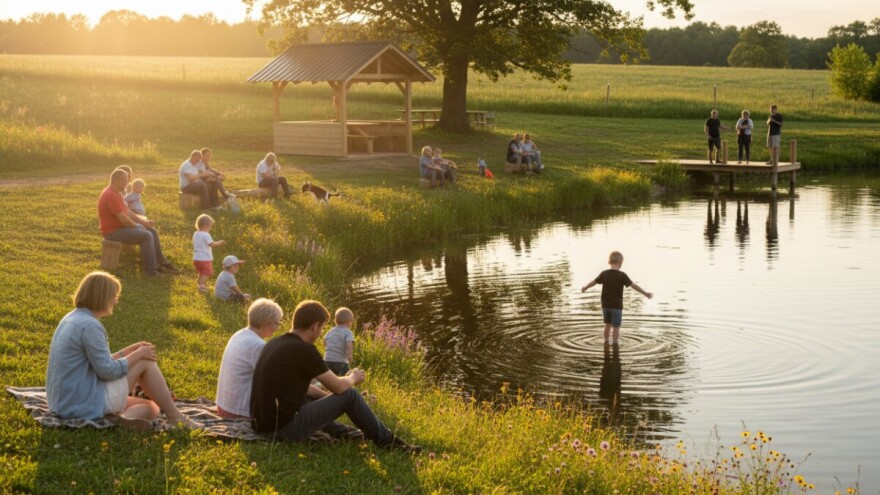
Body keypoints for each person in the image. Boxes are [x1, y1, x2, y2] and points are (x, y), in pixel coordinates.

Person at [249, 300, 420, 452]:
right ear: (314, 326)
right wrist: (353, 377)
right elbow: (338, 387)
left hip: (261, 425)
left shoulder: (274, 343)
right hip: (281, 429)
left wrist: (330, 401)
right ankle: (388, 442)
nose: (320, 333)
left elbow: (300, 389)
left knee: (310, 398)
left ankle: (345, 433)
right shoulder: (304, 350)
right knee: (350, 395)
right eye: (322, 328)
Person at [46, 271, 199, 429]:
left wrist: (131, 350)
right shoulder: (91, 326)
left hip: (64, 403)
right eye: (114, 296)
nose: (116, 301)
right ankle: (176, 417)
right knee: (146, 362)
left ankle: (122, 418)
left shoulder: (72, 318)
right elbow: (107, 371)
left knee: (152, 407)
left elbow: (100, 362)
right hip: (82, 405)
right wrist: (139, 354)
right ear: (103, 296)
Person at [99, 169, 179, 276]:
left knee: (152, 230)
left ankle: (161, 262)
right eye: (125, 181)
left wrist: (144, 223)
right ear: (118, 181)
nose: (127, 183)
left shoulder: (116, 193)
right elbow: (123, 219)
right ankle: (150, 271)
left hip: (120, 228)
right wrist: (137, 226)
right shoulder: (111, 195)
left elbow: (128, 212)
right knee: (146, 235)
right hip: (112, 232)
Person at [215, 298, 282, 419]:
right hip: (238, 411)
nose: (278, 327)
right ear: (267, 323)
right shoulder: (258, 345)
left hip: (224, 406)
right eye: (277, 323)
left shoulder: (239, 334)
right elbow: (276, 381)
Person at [581, 251, 653, 345]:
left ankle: (606, 342)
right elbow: (633, 286)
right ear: (621, 262)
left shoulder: (604, 273)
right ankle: (615, 345)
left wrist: (586, 287)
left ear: (609, 261)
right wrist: (645, 293)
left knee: (607, 325)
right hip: (616, 306)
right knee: (616, 327)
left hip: (605, 305)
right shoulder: (622, 275)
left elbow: (594, 282)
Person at [192, 214, 225, 294]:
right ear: (205, 225)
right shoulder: (206, 234)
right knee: (207, 272)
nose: (211, 228)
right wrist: (219, 242)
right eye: (210, 226)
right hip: (204, 258)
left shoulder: (196, 233)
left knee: (201, 273)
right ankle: (201, 287)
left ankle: (200, 285)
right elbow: (211, 244)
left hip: (196, 258)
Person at [324, 307, 355, 376]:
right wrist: (350, 355)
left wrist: (329, 349)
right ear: (348, 322)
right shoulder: (348, 332)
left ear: (335, 320)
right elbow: (349, 343)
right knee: (344, 377)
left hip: (327, 360)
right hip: (341, 361)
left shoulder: (331, 331)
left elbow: (325, 340)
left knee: (329, 378)